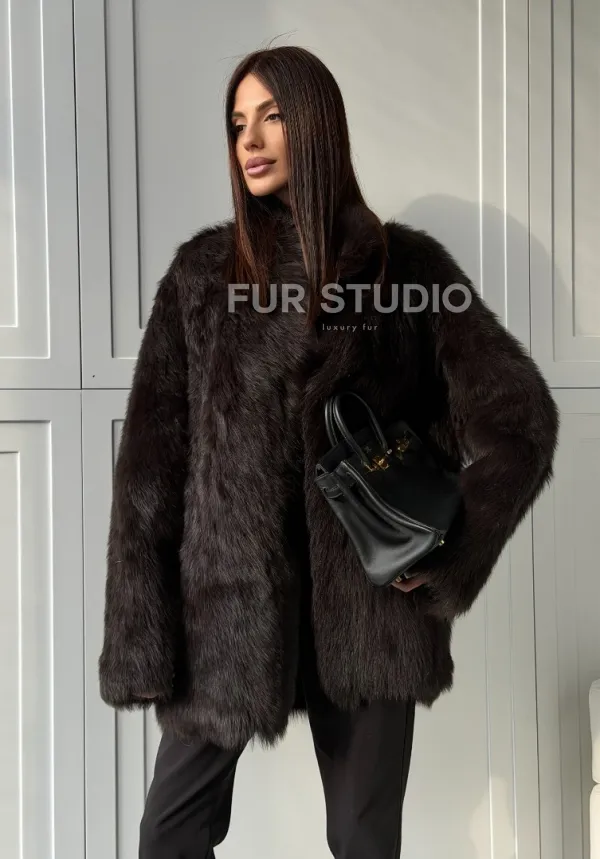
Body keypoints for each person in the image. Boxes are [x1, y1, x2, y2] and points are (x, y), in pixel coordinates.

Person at [97, 45, 559, 859]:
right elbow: (148, 473)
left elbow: (519, 421)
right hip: (231, 612)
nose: (250, 139)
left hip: (369, 610)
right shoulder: (203, 277)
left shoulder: (405, 271)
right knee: (169, 832)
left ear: (315, 124)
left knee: (362, 839)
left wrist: (450, 555)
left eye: (272, 116)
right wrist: (141, 635)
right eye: (237, 123)